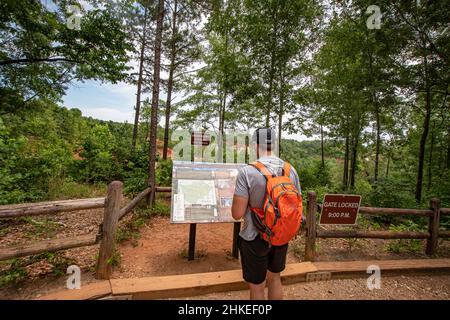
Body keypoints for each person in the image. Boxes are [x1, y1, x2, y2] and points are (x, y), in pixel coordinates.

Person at [231, 127, 302, 300]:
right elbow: (297, 205)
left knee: (257, 286)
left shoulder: (247, 172)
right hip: (281, 235)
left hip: (254, 237)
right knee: (275, 278)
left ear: (255, 145)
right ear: (274, 144)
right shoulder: (290, 170)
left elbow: (237, 214)